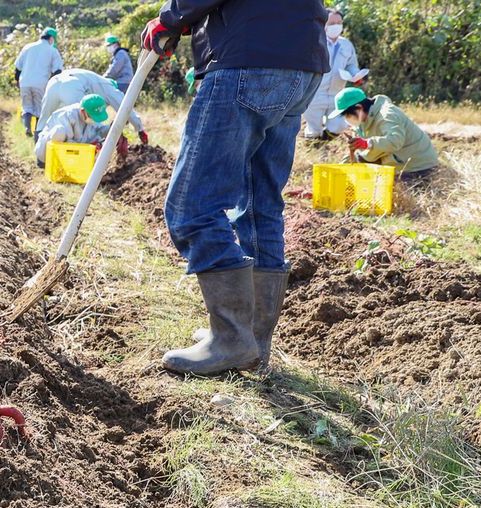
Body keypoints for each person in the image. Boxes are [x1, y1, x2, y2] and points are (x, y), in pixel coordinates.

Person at [140, 0, 328, 375]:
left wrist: (171, 17)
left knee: (192, 206)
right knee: (260, 204)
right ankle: (252, 339)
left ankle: (231, 338)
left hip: (248, 60)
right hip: (302, 64)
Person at [329, 87, 439, 180]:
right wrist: (337, 176)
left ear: (359, 108)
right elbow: (357, 151)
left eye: (347, 115)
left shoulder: (387, 114)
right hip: (397, 161)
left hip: (418, 167)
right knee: (362, 165)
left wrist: (367, 143)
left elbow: (395, 141)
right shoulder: (361, 120)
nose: (347, 119)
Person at [36, 68, 149, 144]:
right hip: (71, 85)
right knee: (80, 123)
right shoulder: (109, 87)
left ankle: (40, 154)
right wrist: (139, 128)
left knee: (46, 118)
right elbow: (125, 107)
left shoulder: (92, 80)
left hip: (53, 82)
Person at [302, 9, 368, 139]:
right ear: (323, 24)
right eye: (331, 23)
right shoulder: (315, 42)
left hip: (337, 94)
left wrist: (356, 75)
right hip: (315, 93)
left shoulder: (346, 45)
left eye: (339, 22)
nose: (336, 26)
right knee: (313, 128)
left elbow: (351, 65)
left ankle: (325, 141)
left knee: (338, 126)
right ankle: (314, 144)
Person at [34, 94, 110, 167]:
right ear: (83, 111)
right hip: (47, 151)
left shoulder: (89, 117)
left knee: (96, 137)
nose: (94, 120)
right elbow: (67, 142)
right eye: (92, 116)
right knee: (59, 131)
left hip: (74, 151)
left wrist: (112, 129)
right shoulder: (67, 114)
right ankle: (57, 165)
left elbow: (100, 130)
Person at [15, 27, 64, 137]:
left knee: (26, 106)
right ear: (51, 38)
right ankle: (37, 134)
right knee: (39, 109)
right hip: (41, 83)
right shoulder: (52, 50)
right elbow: (58, 70)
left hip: (25, 82)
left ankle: (27, 127)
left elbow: (18, 67)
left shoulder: (27, 47)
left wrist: (17, 80)